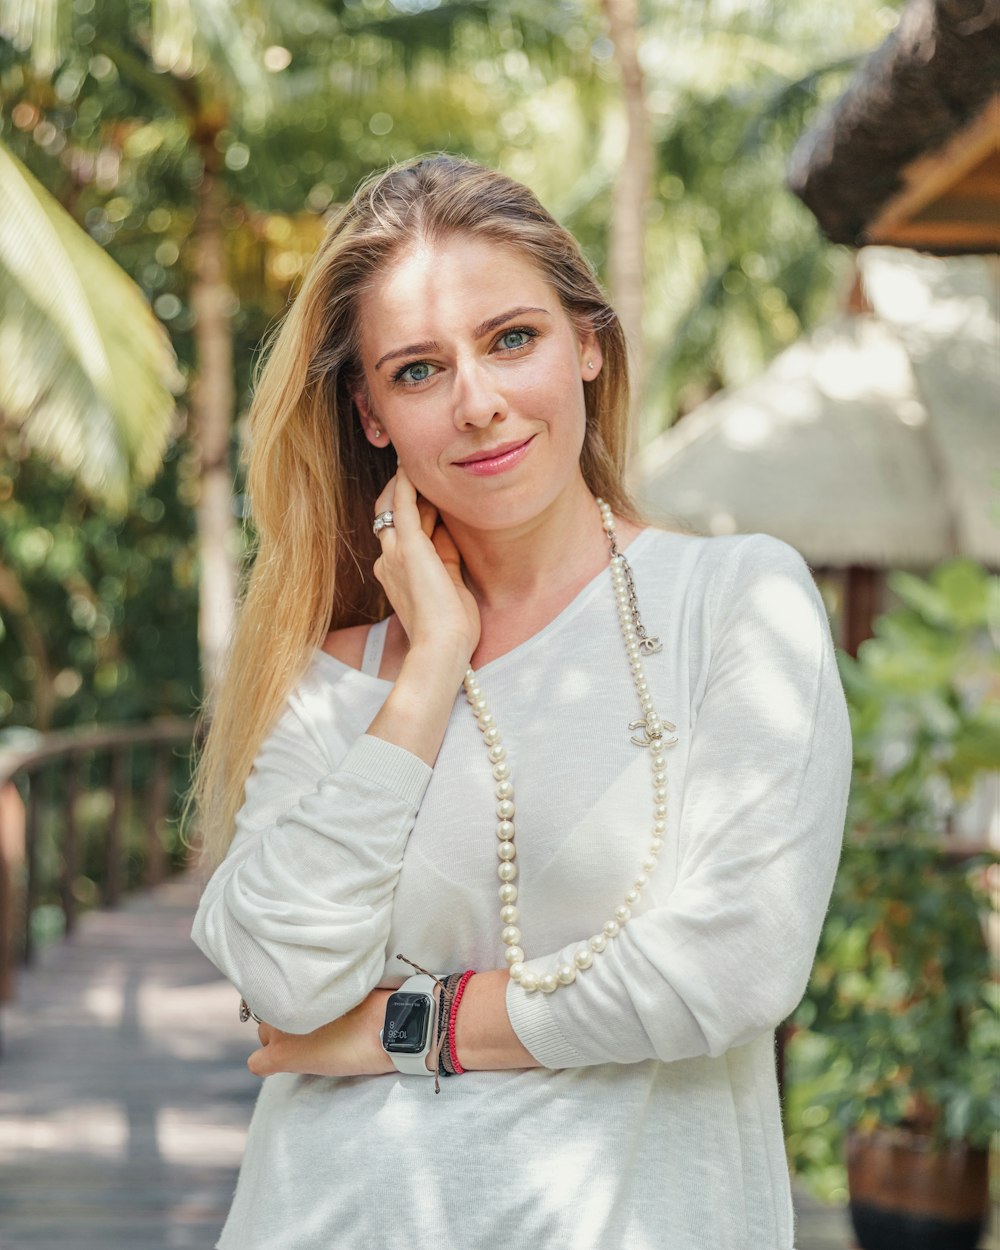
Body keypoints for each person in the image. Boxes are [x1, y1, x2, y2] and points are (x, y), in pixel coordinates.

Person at [190, 153, 852, 1250]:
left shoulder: (733, 600)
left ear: (587, 342)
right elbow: (279, 980)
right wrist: (431, 663)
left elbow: (731, 967)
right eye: (416, 370)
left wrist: (407, 1026)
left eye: (511, 338)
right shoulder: (336, 674)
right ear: (370, 416)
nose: (478, 402)